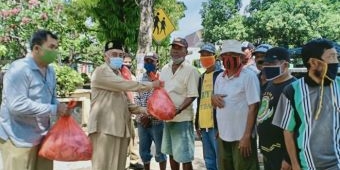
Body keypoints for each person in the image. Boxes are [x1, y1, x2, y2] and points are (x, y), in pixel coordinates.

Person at [0, 30, 71, 170]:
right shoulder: (20, 69)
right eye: (51, 47)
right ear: (36, 48)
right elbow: (17, 105)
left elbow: (50, 99)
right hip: (18, 138)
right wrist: (54, 109)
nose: (55, 51)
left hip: (43, 137)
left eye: (56, 47)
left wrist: (61, 106)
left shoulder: (50, 71)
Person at [88, 40, 163, 170]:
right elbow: (127, 85)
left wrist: (147, 110)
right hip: (104, 130)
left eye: (121, 55)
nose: (118, 58)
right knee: (103, 167)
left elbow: (127, 104)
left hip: (119, 129)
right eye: (114, 54)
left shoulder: (117, 74)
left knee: (118, 166)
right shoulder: (101, 71)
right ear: (105, 56)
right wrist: (152, 85)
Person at [273, 38, 340, 170]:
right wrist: (294, 164)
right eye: (331, 57)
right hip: (308, 165)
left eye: (336, 57)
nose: (336, 62)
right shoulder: (291, 91)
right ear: (314, 62)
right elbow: (288, 131)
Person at [212, 39, 260, 170]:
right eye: (225, 55)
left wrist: (246, 136)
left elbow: (254, 107)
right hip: (223, 136)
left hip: (242, 138)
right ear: (221, 58)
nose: (228, 58)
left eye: (232, 55)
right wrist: (213, 98)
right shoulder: (219, 78)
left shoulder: (249, 76)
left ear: (240, 57)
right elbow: (216, 103)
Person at [159, 37, 200, 170]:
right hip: (167, 119)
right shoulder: (165, 69)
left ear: (186, 51)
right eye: (173, 47)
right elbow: (160, 92)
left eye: (179, 48)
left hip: (182, 120)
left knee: (185, 157)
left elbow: (192, 95)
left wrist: (178, 109)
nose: (175, 51)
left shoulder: (191, 70)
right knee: (172, 154)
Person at [257, 47, 296, 170]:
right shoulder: (270, 84)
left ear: (285, 65)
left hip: (283, 155)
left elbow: (296, 127)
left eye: (272, 64)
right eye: (266, 64)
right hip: (268, 151)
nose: (267, 67)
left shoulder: (293, 88)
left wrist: (288, 158)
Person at [134, 52, 167, 170]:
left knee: (161, 152)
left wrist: (151, 116)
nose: (148, 63)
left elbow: (163, 100)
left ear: (157, 62)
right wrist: (143, 116)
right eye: (146, 61)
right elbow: (136, 98)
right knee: (144, 152)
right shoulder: (139, 79)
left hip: (158, 122)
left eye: (151, 61)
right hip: (142, 122)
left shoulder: (162, 78)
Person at [195, 43, 222, 170]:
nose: (205, 58)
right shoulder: (202, 77)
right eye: (202, 55)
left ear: (215, 57)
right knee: (209, 160)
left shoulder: (221, 75)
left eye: (208, 55)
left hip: (216, 126)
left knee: (220, 160)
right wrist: (197, 123)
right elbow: (200, 100)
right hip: (203, 125)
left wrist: (222, 125)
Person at [123, 53, 144, 170]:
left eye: (129, 63)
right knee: (122, 138)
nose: (127, 65)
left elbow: (135, 95)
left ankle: (134, 160)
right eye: (125, 62)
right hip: (120, 113)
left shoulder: (133, 78)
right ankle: (124, 162)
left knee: (132, 137)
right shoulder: (118, 76)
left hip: (132, 111)